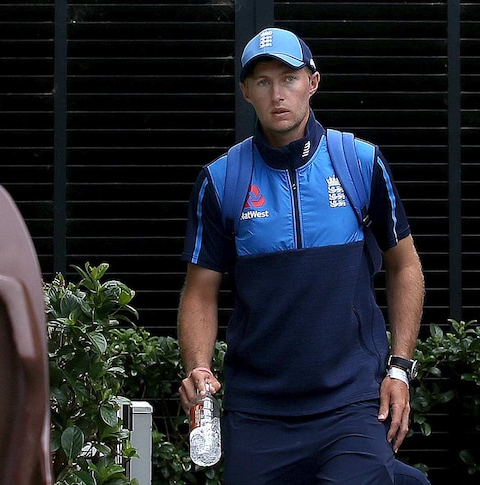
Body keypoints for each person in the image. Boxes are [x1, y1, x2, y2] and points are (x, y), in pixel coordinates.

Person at [177, 27, 428, 484]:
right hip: (257, 411)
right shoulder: (221, 180)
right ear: (245, 92)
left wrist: (400, 368)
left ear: (313, 82)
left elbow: (405, 265)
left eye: (289, 78)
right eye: (263, 81)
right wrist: (198, 367)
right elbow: (200, 292)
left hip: (352, 402)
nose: (278, 94)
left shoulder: (360, 162)